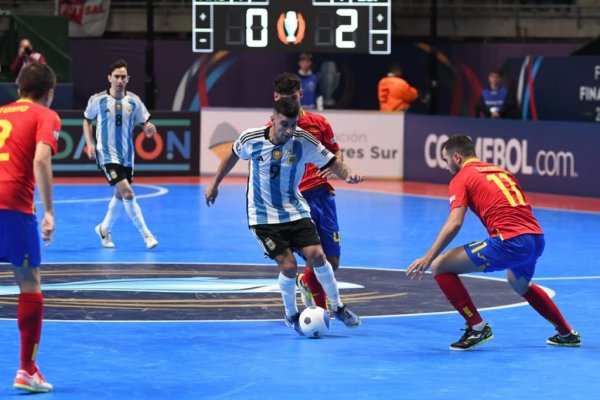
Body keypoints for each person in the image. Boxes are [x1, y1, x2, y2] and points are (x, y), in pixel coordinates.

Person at [406, 135, 580, 351]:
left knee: (440, 266)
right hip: (536, 238)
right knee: (518, 283)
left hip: (510, 242)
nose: (445, 165)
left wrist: (428, 256)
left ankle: (477, 328)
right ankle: (566, 333)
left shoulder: (461, 178)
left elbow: (454, 223)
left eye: (445, 160)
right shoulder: (500, 171)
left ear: (457, 157)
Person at [205, 97, 362, 334]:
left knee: (319, 256)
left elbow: (331, 159)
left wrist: (348, 173)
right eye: (285, 124)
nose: (290, 130)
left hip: (295, 210)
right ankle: (290, 314)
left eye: (294, 124)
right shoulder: (252, 138)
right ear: (273, 120)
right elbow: (232, 154)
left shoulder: (302, 140)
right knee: (288, 266)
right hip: (262, 216)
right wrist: (215, 183)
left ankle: (338, 307)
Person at [0, 62, 60, 392]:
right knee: (29, 284)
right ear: (49, 93)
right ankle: (27, 370)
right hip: (14, 208)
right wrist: (49, 212)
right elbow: (40, 159)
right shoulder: (45, 115)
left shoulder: (1, 113)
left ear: (18, 88)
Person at [273, 72, 341, 312]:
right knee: (316, 257)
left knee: (332, 263)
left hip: (323, 197)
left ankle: (305, 282)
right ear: (275, 98)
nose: (291, 103)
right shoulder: (272, 129)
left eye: (294, 97)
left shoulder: (319, 123)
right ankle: (323, 312)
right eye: (285, 98)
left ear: (301, 94)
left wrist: (335, 167)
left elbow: (335, 152)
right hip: (296, 203)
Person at [83, 59, 158, 250]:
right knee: (128, 192)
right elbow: (87, 120)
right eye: (116, 76)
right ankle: (146, 235)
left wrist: (149, 130)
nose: (119, 80)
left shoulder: (134, 101)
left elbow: (145, 124)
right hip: (106, 154)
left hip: (127, 155)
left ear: (128, 79)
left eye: (123, 77)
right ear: (109, 78)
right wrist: (90, 143)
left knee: (119, 194)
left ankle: (104, 228)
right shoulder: (97, 100)